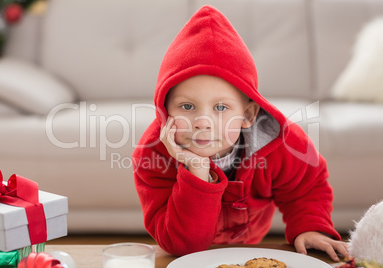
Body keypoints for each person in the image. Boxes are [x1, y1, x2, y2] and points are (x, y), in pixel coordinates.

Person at [132, 5, 349, 261]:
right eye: (187, 106)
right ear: (165, 110)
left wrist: (311, 227)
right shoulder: (151, 156)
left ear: (247, 115)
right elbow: (181, 245)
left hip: (250, 242)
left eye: (221, 107)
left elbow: (306, 187)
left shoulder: (282, 143)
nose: (203, 122)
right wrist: (197, 169)